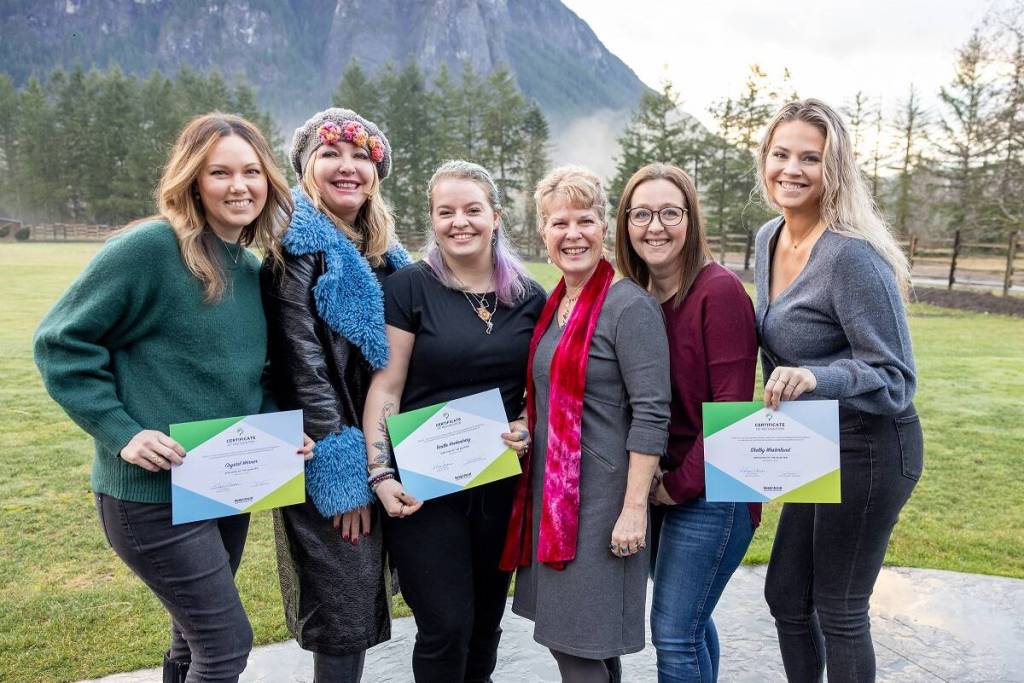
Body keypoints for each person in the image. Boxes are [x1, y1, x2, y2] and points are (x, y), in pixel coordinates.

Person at [34, 113, 298, 683]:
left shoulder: (251, 270)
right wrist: (123, 432)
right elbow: (61, 343)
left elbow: (258, 377)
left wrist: (281, 435)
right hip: (150, 498)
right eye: (219, 172)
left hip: (219, 485)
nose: (239, 186)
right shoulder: (152, 248)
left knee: (191, 642)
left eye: (252, 171)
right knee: (225, 645)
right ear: (192, 180)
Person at [754, 98, 923, 683]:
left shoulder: (851, 256)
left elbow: (897, 377)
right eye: (781, 154)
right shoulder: (768, 237)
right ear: (765, 159)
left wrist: (816, 377)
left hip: (874, 445)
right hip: (814, 440)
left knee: (840, 606)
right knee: (785, 596)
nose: (791, 169)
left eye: (811, 157)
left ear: (836, 170)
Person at [361, 160, 546, 682]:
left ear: (495, 216)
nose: (459, 222)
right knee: (445, 625)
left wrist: (525, 423)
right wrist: (380, 473)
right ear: (432, 219)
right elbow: (387, 386)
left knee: (487, 622)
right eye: (446, 212)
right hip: (424, 486)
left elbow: (539, 389)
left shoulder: (529, 297)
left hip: (498, 482)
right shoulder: (409, 287)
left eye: (472, 210)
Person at [502, 165, 671, 683]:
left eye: (585, 220)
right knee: (590, 648)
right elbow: (556, 392)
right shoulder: (557, 304)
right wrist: (526, 425)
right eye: (559, 223)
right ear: (543, 232)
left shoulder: (628, 306)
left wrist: (633, 511)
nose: (572, 234)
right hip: (555, 496)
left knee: (576, 646)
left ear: (605, 228)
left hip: (601, 506)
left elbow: (652, 412)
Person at [260, 108, 411, 682]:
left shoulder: (389, 256)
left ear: (376, 172)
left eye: (361, 156)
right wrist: (344, 471)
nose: (347, 167)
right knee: (344, 609)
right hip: (333, 451)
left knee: (368, 598)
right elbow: (303, 369)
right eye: (330, 154)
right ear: (306, 167)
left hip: (383, 447)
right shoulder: (296, 250)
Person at [615, 163, 759, 683]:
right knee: (692, 625)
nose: (656, 226)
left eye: (670, 213)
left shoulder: (717, 293)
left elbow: (733, 412)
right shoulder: (632, 294)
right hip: (659, 485)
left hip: (711, 493)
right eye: (643, 214)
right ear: (626, 224)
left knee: (675, 633)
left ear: (691, 220)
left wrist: (675, 487)